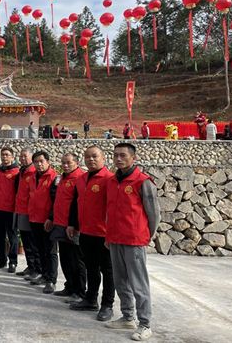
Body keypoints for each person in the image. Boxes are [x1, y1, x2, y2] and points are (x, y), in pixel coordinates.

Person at [105, 143, 160, 341]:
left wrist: (146, 235)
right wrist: (108, 236)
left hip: (134, 240)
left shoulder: (143, 181)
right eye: (115, 155)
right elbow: (110, 212)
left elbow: (153, 213)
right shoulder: (112, 182)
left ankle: (145, 324)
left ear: (133, 158)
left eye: (123, 155)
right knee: (120, 281)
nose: (118, 159)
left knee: (139, 283)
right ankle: (128, 317)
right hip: (115, 239)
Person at [68, 146, 116, 322]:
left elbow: (115, 208)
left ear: (103, 158)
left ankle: (107, 305)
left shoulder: (110, 179)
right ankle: (90, 299)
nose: (91, 160)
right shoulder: (81, 179)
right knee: (91, 268)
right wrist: (73, 224)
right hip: (86, 231)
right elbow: (75, 202)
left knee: (108, 271)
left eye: (95, 156)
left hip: (104, 234)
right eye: (87, 157)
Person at [49, 153, 86, 303]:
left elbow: (79, 204)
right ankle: (69, 286)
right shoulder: (61, 178)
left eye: (68, 162)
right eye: (63, 162)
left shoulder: (80, 178)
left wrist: (74, 224)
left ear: (76, 163)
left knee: (76, 260)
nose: (65, 165)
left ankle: (80, 291)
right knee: (65, 258)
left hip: (73, 226)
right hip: (60, 223)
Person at [23, 151, 59, 294]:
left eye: (41, 161)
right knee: (40, 249)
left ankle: (51, 280)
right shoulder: (32, 177)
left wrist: (51, 217)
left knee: (50, 251)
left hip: (47, 220)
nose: (39, 164)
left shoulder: (54, 177)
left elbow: (56, 200)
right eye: (36, 161)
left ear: (48, 161)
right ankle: (44, 275)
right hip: (34, 218)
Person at [0, 147, 20, 273]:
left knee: (12, 237)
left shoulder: (17, 172)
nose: (4, 157)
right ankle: (1, 261)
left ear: (12, 157)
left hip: (11, 210)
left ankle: (13, 262)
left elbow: (19, 192)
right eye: (3, 155)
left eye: (7, 155)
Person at [14, 149, 41, 279]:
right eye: (21, 156)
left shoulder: (34, 172)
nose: (23, 158)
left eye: (25, 156)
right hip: (21, 210)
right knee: (26, 241)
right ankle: (31, 266)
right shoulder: (22, 171)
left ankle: (36, 268)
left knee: (32, 242)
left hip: (30, 211)